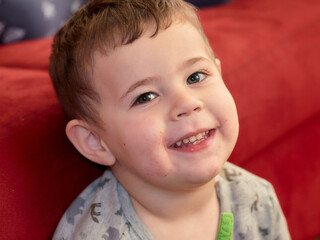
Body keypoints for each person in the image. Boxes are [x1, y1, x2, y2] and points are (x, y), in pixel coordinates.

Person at [49, 0, 291, 239]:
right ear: (95, 141)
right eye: (145, 97)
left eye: (195, 77)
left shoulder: (257, 200)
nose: (186, 103)